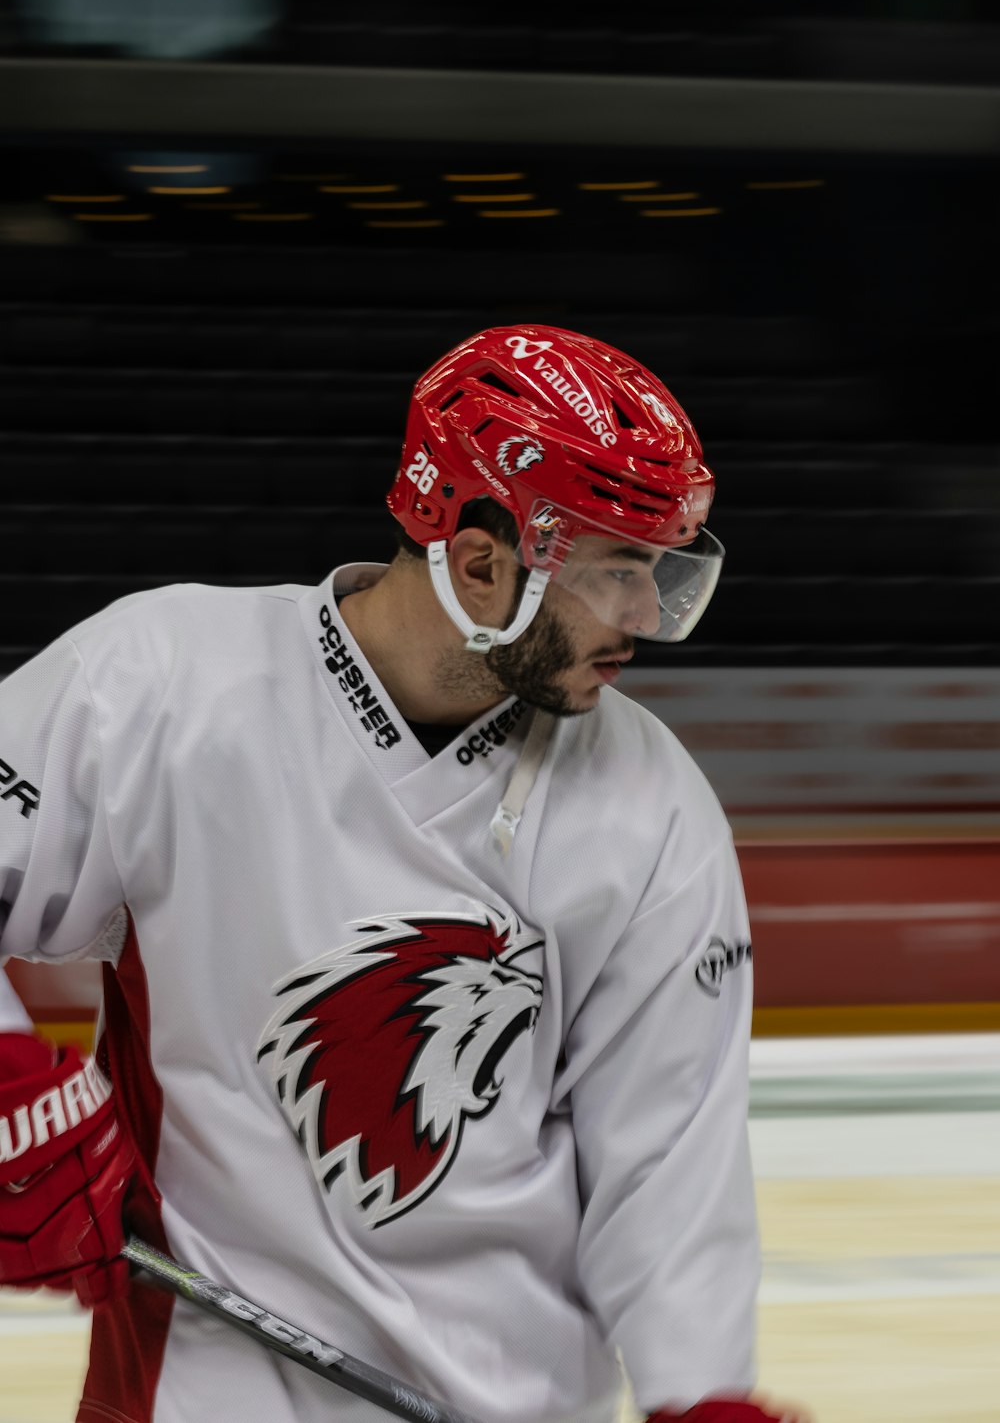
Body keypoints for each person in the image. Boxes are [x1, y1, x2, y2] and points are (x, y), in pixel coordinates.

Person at [0, 325, 812, 1423]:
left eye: (661, 570)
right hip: (200, 1394)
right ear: (479, 564)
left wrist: (702, 1394)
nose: (642, 618)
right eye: (614, 570)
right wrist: (8, 1089)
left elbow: (667, 1151)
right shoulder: (157, 684)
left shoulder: (652, 801)